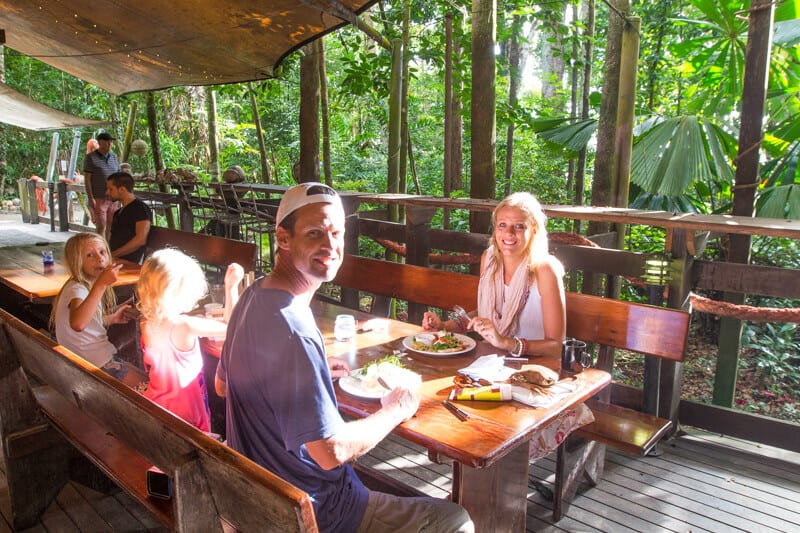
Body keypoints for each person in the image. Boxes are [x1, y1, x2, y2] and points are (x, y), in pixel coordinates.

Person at [216, 183, 473, 533]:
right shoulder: (295, 330)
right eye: (314, 233)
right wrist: (397, 408)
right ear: (283, 238)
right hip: (318, 513)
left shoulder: (252, 297)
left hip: (256, 500)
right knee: (455, 521)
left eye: (337, 232)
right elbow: (331, 451)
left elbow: (222, 385)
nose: (330, 245)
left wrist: (313, 369)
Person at [423, 191, 566, 359]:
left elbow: (557, 347)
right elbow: (486, 314)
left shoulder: (545, 269)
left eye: (519, 226)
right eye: (502, 225)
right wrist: (444, 326)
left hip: (535, 366)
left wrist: (506, 343)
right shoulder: (489, 260)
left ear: (534, 232)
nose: (509, 233)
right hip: (492, 361)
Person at [137, 249, 243, 432]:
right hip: (186, 414)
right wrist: (231, 286)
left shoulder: (146, 322)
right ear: (176, 292)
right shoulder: (184, 325)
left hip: (157, 405)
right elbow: (232, 328)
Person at [50, 232, 142, 388]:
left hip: (81, 362)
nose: (99, 258)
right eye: (89, 255)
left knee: (143, 377)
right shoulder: (77, 289)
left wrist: (110, 318)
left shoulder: (78, 286)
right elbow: (78, 324)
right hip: (96, 364)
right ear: (77, 262)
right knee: (149, 388)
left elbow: (86, 322)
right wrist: (101, 284)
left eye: (102, 252)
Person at [106, 171, 152, 264]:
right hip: (115, 259)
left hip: (127, 262)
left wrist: (113, 254)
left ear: (122, 189)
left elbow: (140, 240)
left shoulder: (140, 208)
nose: (107, 192)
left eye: (111, 189)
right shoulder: (118, 212)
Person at [83, 132, 120, 240]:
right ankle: (100, 248)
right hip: (99, 197)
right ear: (100, 142)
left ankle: (108, 249)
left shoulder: (113, 157)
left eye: (111, 141)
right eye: (107, 141)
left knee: (111, 226)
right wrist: (90, 198)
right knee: (101, 226)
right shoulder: (91, 158)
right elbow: (87, 179)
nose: (110, 144)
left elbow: (118, 175)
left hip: (113, 199)